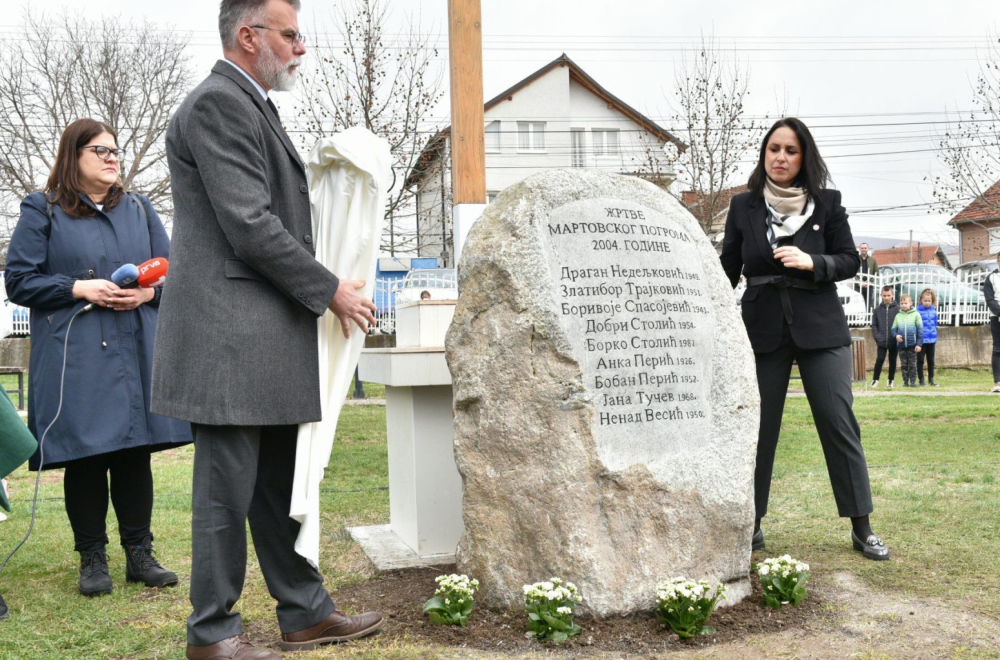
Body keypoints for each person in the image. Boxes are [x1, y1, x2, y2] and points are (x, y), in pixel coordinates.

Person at [150, 1, 383, 658]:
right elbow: (249, 225)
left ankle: (304, 612)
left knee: (275, 481)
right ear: (249, 37)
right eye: (291, 35)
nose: (300, 48)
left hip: (261, 336)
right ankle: (213, 635)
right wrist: (329, 288)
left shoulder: (250, 105)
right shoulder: (217, 105)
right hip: (230, 338)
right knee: (225, 490)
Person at [4, 119, 190, 598]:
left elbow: (175, 277)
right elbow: (19, 281)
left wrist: (147, 297)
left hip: (132, 347)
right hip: (76, 353)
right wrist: (76, 286)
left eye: (115, 150)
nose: (112, 157)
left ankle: (139, 554)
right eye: (100, 150)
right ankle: (92, 558)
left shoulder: (140, 209)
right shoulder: (41, 209)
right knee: (86, 455)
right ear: (73, 156)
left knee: (132, 452)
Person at [720, 117, 890, 561]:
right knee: (760, 431)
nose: (780, 157)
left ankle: (862, 527)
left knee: (838, 423)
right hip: (761, 328)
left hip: (820, 325)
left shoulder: (828, 204)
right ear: (764, 154)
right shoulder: (743, 207)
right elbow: (727, 269)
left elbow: (850, 260)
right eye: (773, 148)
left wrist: (811, 261)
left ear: (804, 156)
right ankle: (751, 525)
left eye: (790, 150)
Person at [870, 286, 899, 388]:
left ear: (892, 295)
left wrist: (897, 336)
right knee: (880, 359)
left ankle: (890, 380)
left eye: (888, 295)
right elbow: (874, 325)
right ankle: (875, 379)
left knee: (893, 360)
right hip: (881, 340)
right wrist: (877, 337)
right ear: (881, 295)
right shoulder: (877, 310)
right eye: (884, 295)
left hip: (894, 340)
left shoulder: (898, 309)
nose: (886, 298)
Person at [891, 294, 923, 387]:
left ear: (911, 303)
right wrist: (896, 336)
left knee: (912, 364)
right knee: (904, 364)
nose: (904, 305)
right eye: (902, 303)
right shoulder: (898, 316)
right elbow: (893, 329)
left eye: (906, 303)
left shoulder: (916, 315)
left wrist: (919, 344)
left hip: (912, 345)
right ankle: (905, 382)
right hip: (901, 346)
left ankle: (913, 382)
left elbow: (920, 331)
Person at [916, 288, 939, 386]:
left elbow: (935, 323)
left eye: (929, 301)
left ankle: (931, 379)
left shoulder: (933, 311)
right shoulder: (917, 311)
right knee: (920, 360)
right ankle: (921, 379)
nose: (927, 303)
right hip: (922, 340)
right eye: (925, 301)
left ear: (932, 301)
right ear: (921, 300)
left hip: (931, 339)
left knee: (931, 360)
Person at [985, 254, 1000, 393]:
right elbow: (989, 299)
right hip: (996, 317)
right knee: (997, 349)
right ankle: (998, 382)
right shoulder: (991, 277)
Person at [856, 243, 878, 308]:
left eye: (865, 248)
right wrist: (859, 283)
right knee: (858, 303)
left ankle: (867, 317)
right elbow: (853, 272)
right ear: (860, 249)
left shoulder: (873, 260)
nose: (863, 249)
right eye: (862, 248)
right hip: (858, 286)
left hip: (869, 286)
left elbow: (876, 273)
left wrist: (870, 282)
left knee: (868, 303)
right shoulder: (856, 259)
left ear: (868, 249)